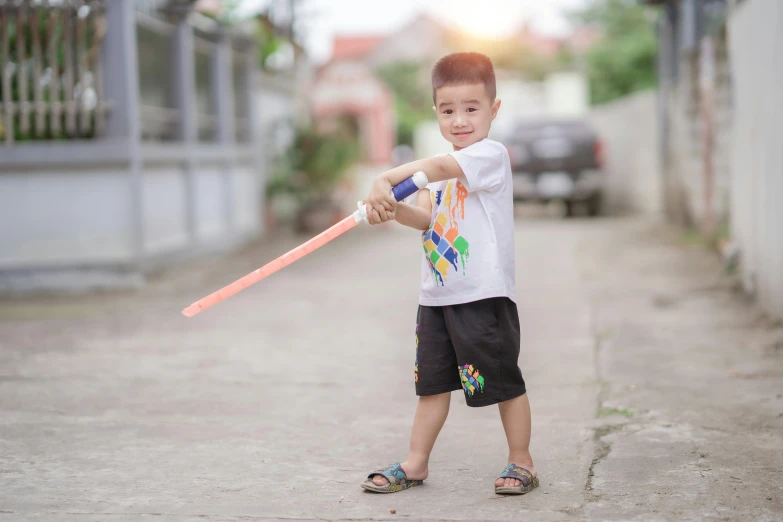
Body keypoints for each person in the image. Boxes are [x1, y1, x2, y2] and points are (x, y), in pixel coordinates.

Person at [360, 52, 538, 495]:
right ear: (436, 111)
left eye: (471, 109)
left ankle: (522, 462)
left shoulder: (488, 156)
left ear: (493, 110)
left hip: (482, 295)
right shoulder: (433, 176)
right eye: (448, 110)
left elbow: (438, 168)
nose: (460, 120)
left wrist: (384, 178)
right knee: (432, 385)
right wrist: (391, 208)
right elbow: (425, 220)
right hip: (436, 298)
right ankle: (415, 463)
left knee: (502, 381)